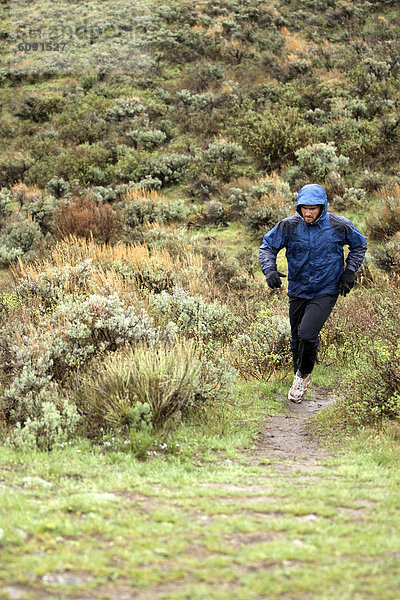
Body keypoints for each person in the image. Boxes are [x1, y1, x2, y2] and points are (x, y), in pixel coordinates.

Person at [259, 183, 367, 403]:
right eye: (304, 208)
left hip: (326, 288)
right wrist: (269, 269)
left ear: (322, 207)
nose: (308, 213)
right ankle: (299, 372)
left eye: (313, 208)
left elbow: (360, 244)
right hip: (298, 288)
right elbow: (267, 246)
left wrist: (350, 271)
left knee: (307, 334)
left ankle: (302, 375)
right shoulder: (289, 226)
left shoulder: (338, 225)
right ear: (299, 207)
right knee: (296, 336)